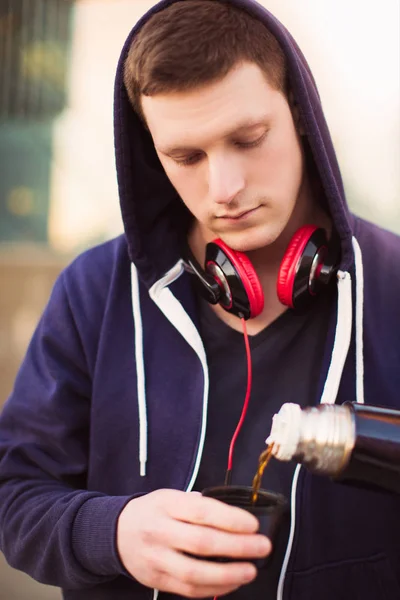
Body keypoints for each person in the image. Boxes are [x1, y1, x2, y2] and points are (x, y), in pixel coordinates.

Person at [0, 1, 399, 599]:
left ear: (300, 114)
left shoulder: (394, 284)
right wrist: (112, 533)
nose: (224, 189)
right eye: (186, 157)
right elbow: (15, 496)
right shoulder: (91, 291)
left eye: (249, 138)